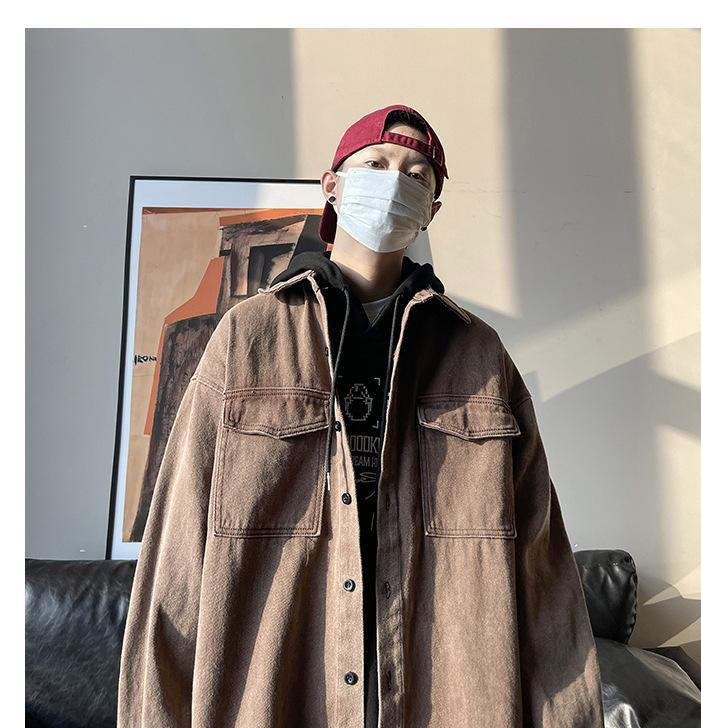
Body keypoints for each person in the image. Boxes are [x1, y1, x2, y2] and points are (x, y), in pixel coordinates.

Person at [117, 104, 606, 727]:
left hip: (445, 687)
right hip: (287, 687)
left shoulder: (479, 356)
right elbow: (177, 553)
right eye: (375, 164)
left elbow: (543, 574)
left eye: (417, 175)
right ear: (332, 185)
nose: (395, 181)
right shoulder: (248, 339)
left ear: (431, 209)